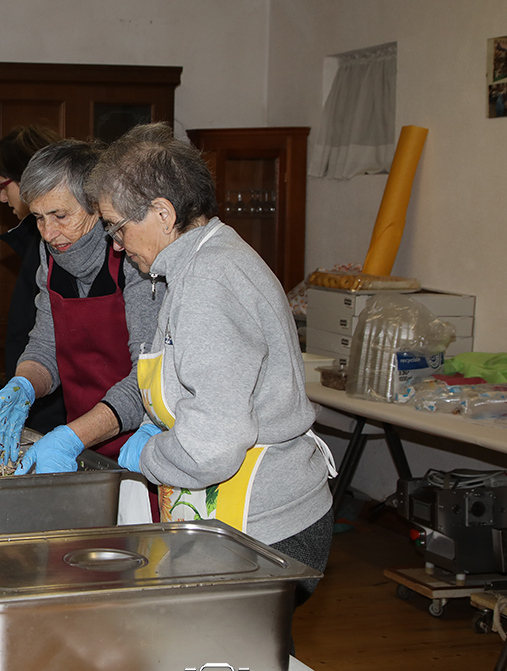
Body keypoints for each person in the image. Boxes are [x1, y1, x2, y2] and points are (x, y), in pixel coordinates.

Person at [86, 122, 334, 614]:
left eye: (118, 227)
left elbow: (214, 446)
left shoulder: (207, 279)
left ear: (162, 213)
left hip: (261, 525)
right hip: (254, 515)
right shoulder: (206, 256)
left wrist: (148, 456)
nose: (116, 244)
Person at [0, 139, 162, 473]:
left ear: (96, 206)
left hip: (142, 447)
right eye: (38, 218)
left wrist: (72, 436)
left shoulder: (133, 256)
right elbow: (45, 345)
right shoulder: (48, 254)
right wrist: (23, 385)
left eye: (60, 215)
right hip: (83, 444)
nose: (49, 233)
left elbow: (149, 379)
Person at [0, 125, 66, 434]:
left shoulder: (55, 244)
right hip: (38, 388)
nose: (1, 198)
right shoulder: (38, 241)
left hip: (54, 406)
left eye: (1, 185)